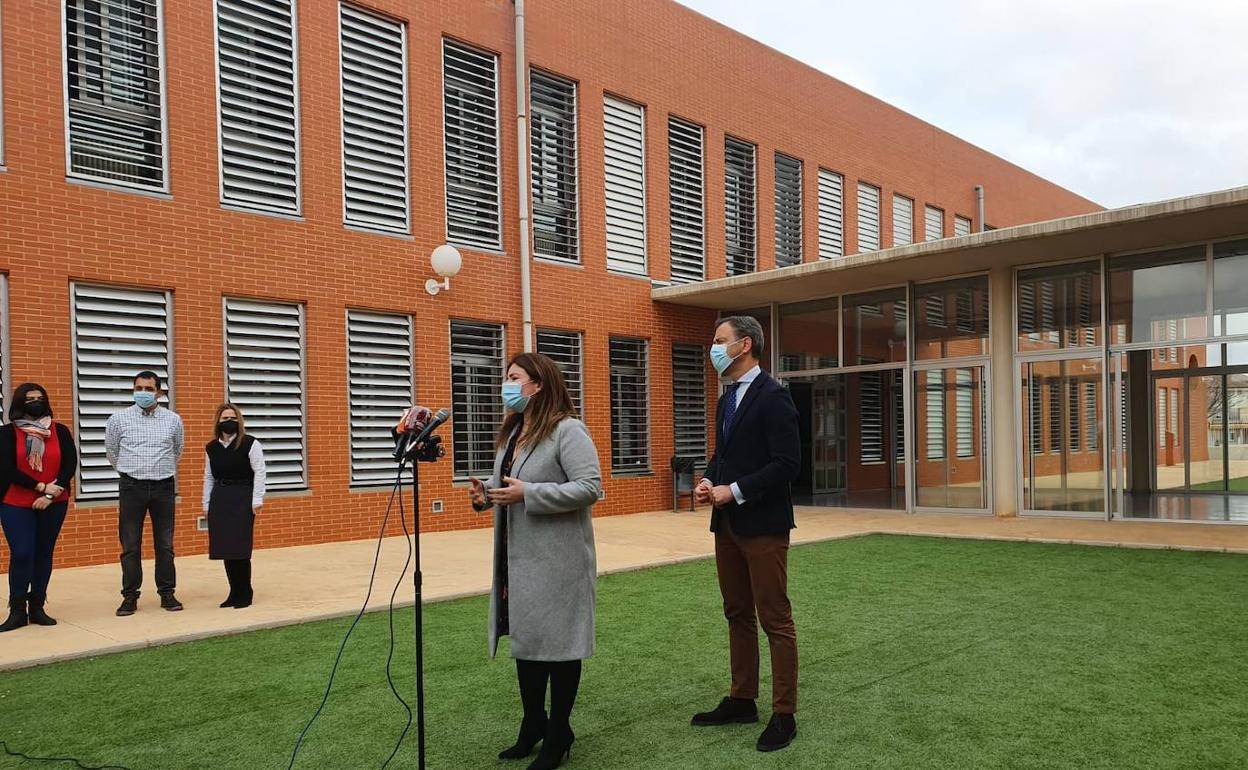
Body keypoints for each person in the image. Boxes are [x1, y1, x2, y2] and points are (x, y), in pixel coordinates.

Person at [467, 353, 601, 770]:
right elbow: (510, 483)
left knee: (559, 649)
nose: (507, 384)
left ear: (538, 384)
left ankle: (558, 733)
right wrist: (485, 494)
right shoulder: (514, 432)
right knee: (526, 645)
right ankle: (533, 724)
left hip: (558, 563)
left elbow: (590, 487)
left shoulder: (567, 430)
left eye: (514, 377)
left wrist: (531, 494)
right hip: (518, 560)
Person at [692, 315, 802, 752]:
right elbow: (725, 455)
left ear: (745, 345)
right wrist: (707, 480)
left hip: (763, 526)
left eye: (719, 341)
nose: (713, 348)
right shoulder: (726, 399)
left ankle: (784, 713)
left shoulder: (774, 397)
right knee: (737, 612)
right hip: (728, 527)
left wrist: (733, 491)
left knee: (775, 618)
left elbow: (787, 464)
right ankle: (742, 700)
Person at [105, 371, 185, 615]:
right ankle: (130, 597)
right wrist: (131, 471)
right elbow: (112, 452)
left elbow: (177, 450)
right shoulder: (118, 419)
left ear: (159, 392)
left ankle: (167, 593)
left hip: (163, 487)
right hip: (132, 487)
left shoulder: (173, 420)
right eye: (139, 388)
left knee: (165, 544)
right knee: (130, 545)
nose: (143, 393)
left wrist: (158, 468)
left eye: (148, 389)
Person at [0, 384, 77, 632]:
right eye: (30, 398)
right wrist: (40, 486)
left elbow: (69, 464)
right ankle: (17, 610)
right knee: (22, 553)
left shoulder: (60, 431)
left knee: (44, 552)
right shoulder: (7, 433)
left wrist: (52, 493)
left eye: (40, 398)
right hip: (16, 501)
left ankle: (37, 606)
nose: (35, 401)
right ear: (19, 403)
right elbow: (7, 469)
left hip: (54, 501)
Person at [201, 403, 265, 609]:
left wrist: (257, 499)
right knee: (226, 548)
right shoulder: (211, 448)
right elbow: (208, 477)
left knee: (240, 547)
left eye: (233, 418)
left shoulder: (250, 443)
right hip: (220, 498)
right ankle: (233, 592)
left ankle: (245, 591)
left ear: (239, 421)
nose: (229, 422)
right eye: (225, 418)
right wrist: (206, 503)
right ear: (218, 422)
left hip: (242, 497)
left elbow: (260, 471)